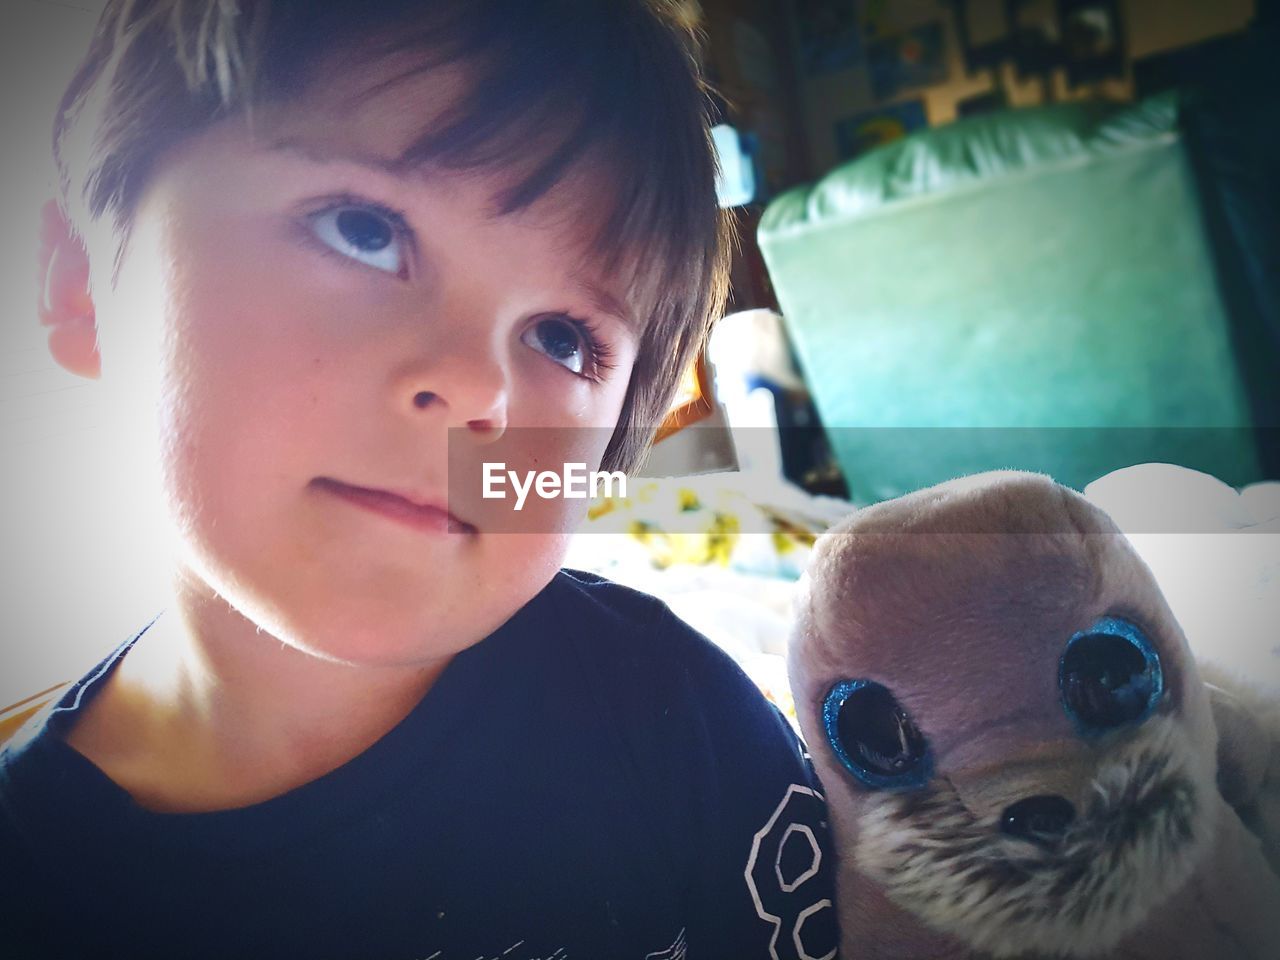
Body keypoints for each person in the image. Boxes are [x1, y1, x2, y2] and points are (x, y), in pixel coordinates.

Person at [0, 1, 839, 957]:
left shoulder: (679, 724)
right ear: (79, 287)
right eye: (362, 229)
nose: (480, 387)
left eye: (561, 338)